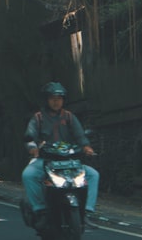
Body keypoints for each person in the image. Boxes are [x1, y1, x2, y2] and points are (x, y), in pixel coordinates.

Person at [22, 82, 100, 226]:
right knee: (28, 175)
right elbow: (30, 137)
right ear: (46, 100)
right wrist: (33, 148)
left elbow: (80, 136)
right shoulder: (38, 118)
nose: (56, 101)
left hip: (69, 161)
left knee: (93, 174)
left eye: (59, 98)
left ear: (64, 100)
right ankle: (41, 210)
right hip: (45, 160)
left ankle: (87, 211)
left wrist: (86, 147)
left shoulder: (70, 117)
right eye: (52, 98)